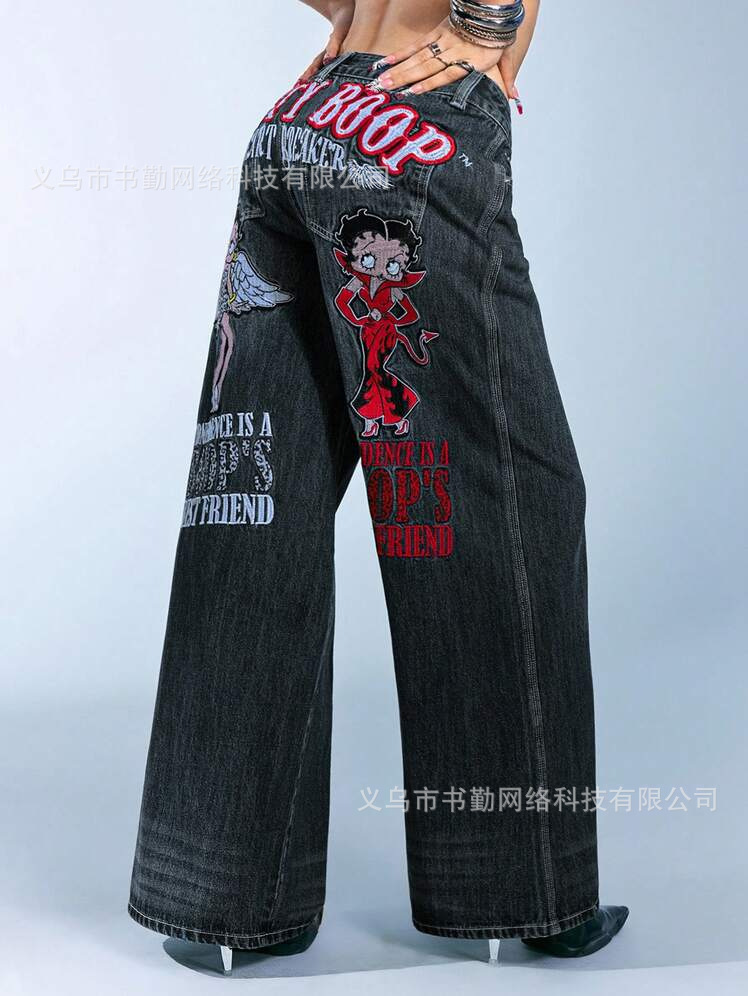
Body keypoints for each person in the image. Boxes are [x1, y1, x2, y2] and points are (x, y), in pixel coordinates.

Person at [127, 0, 629, 967]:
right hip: (409, 132)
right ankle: (525, 892)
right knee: (497, 497)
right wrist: (486, 23)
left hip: (299, 125)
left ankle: (221, 902)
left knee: (255, 504)